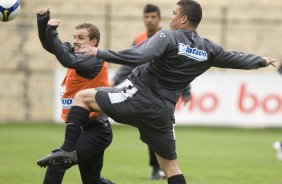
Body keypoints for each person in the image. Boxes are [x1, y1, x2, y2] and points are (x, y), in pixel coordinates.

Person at [38, 1, 277, 184]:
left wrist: (100, 53)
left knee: (82, 97)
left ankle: (68, 149)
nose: (170, 17)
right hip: (163, 113)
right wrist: (260, 61)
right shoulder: (208, 48)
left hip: (138, 98)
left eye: (173, 13)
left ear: (183, 18)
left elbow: (139, 55)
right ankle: (70, 150)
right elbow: (236, 58)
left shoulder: (168, 36)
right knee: (171, 167)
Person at [111, 4, 191, 180]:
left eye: (153, 17)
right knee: (150, 129)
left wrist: (186, 91)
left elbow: (181, 66)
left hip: (162, 92)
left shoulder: (171, 37)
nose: (149, 20)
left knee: (159, 130)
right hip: (142, 89)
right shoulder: (139, 38)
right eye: (146, 16)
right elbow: (130, 62)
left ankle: (164, 167)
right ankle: (159, 168)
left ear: (159, 18)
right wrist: (115, 80)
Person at [36, 9, 114, 184]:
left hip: (96, 130)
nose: (75, 41)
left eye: (80, 37)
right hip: (80, 129)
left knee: (57, 162)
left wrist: (52, 31)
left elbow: (66, 60)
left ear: (93, 42)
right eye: (74, 37)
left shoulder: (94, 59)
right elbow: (51, 46)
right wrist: (43, 23)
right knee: (92, 181)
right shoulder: (75, 54)